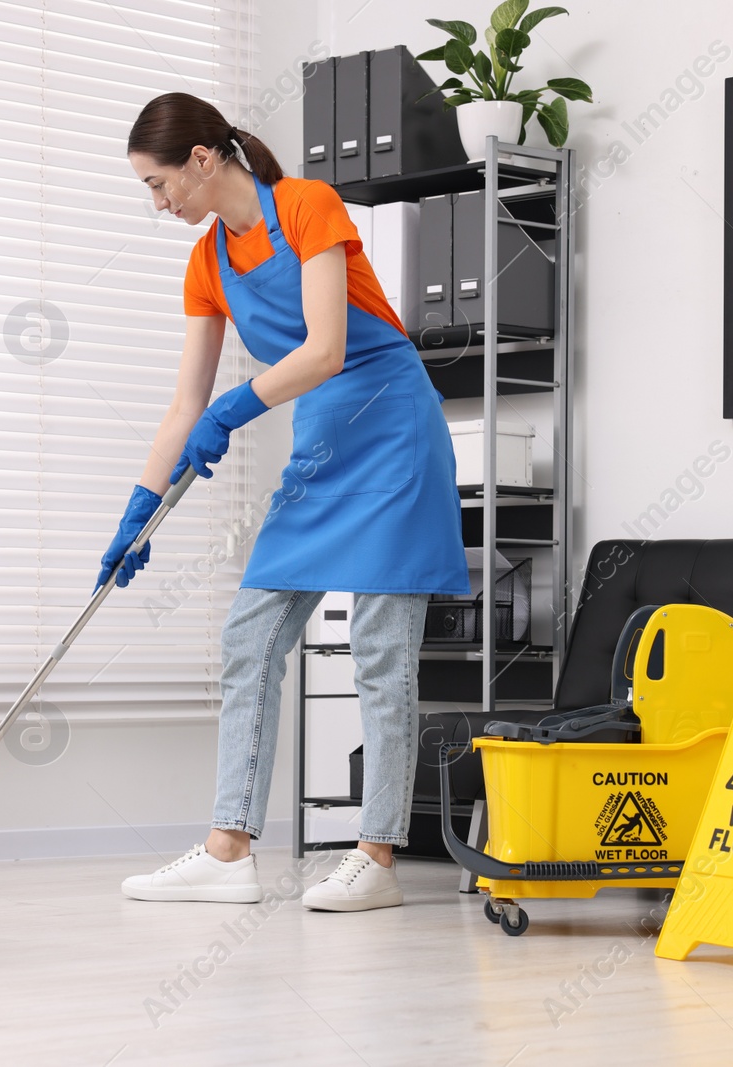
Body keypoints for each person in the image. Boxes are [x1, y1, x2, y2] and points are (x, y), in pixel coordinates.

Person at [103, 92, 468, 912]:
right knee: (251, 636)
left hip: (392, 426)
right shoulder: (207, 262)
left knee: (379, 650)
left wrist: (236, 408)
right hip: (325, 442)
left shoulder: (308, 205)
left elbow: (327, 346)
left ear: (203, 159)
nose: (161, 207)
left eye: (162, 186)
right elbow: (184, 402)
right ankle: (229, 848)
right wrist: (138, 507)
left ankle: (375, 854)